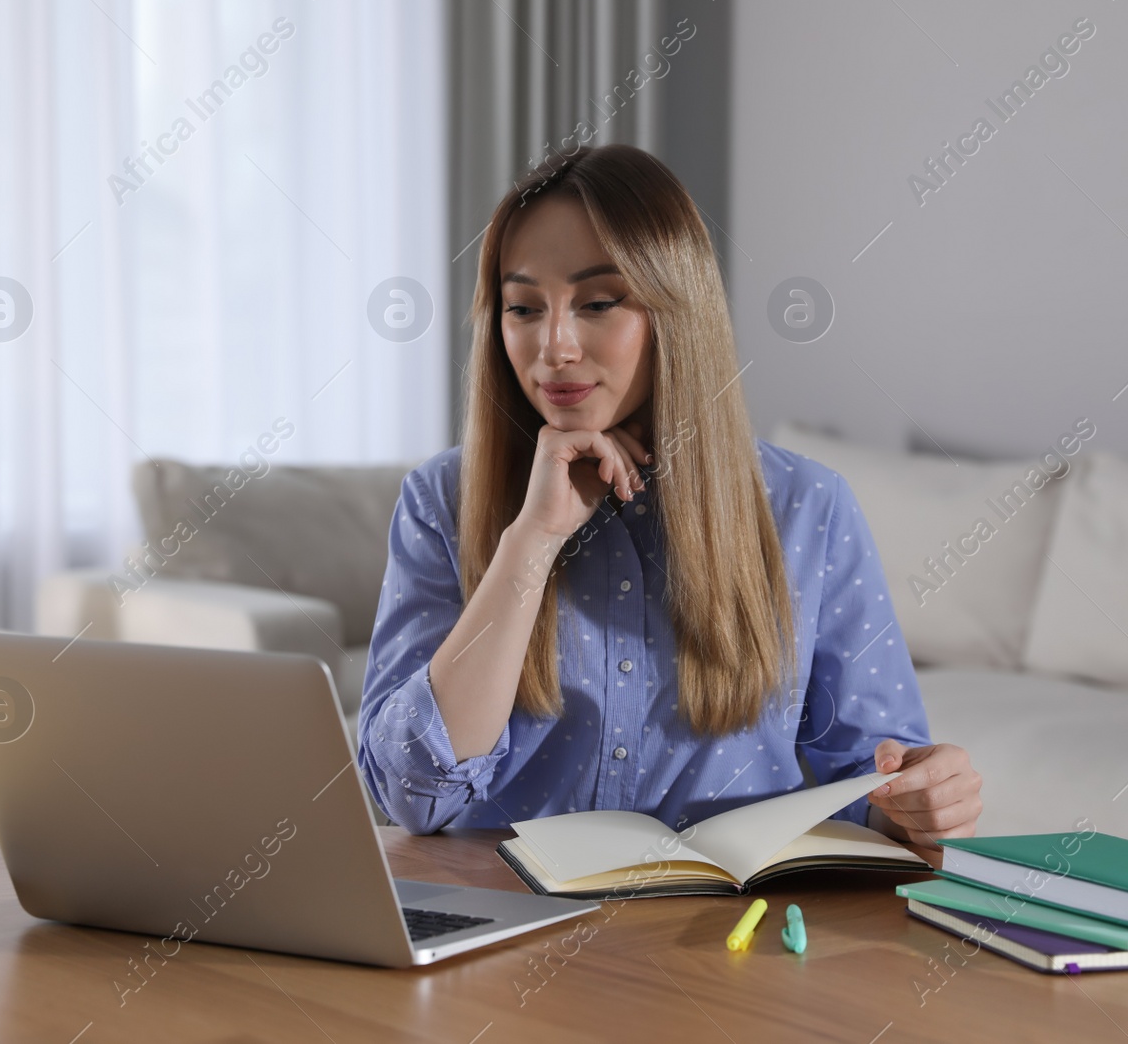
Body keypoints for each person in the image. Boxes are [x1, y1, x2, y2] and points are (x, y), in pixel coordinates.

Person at [358, 144, 982, 846]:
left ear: (675, 311)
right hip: (505, 928)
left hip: (721, 939)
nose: (553, 346)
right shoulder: (442, 498)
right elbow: (409, 793)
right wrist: (530, 544)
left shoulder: (810, 507)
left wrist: (923, 795)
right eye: (523, 307)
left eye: (598, 302)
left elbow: (868, 780)